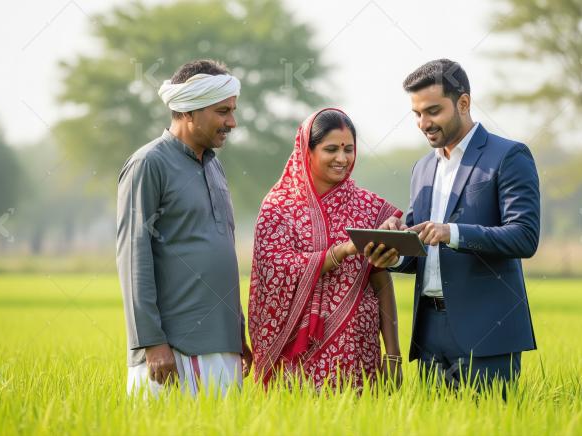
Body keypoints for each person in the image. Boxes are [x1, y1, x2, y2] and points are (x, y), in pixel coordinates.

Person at [368, 59, 540, 394]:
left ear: (463, 103)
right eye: (417, 114)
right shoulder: (421, 168)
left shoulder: (508, 156)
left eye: (433, 111)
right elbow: (421, 249)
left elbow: (524, 236)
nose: (423, 123)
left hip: (487, 332)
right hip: (429, 333)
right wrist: (394, 255)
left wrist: (453, 233)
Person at [116, 59, 252, 397]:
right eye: (223, 111)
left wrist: (238, 334)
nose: (232, 122)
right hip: (171, 353)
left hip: (223, 349)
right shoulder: (149, 164)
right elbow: (133, 257)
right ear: (189, 111)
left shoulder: (215, 167)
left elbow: (220, 253)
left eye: (232, 111)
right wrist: (151, 343)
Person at [248, 108, 403, 390]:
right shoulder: (278, 208)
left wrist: (393, 355)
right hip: (295, 351)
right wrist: (340, 252)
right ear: (307, 151)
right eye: (331, 149)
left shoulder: (368, 206)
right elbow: (274, 268)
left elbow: (380, 280)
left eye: (349, 149)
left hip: (357, 348)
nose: (342, 159)